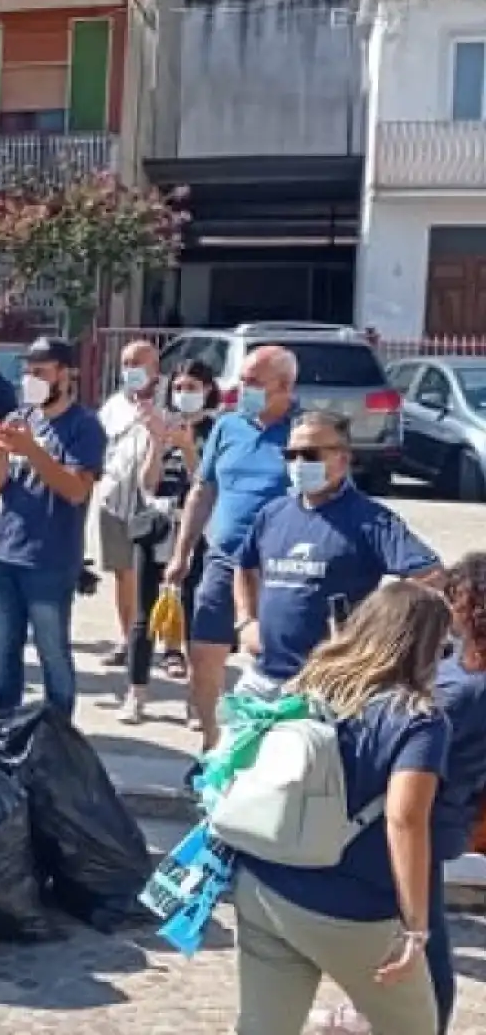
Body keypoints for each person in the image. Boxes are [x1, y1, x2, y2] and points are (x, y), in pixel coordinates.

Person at [231, 580, 449, 1035]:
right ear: (426, 647)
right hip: (350, 908)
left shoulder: (308, 682)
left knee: (262, 1028)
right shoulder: (419, 718)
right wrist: (416, 928)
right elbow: (405, 820)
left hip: (264, 879)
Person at [236, 410, 442, 697]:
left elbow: (430, 575)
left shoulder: (370, 521)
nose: (298, 464)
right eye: (291, 455)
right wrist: (246, 620)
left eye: (310, 455)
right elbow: (244, 565)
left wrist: (376, 632)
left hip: (327, 686)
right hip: (263, 676)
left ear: (342, 459)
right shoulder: (273, 514)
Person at [168, 346, 302, 753]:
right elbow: (203, 490)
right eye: (242, 379)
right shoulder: (228, 427)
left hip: (281, 568)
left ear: (284, 386)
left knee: (271, 661)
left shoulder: (305, 432)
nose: (242, 388)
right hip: (223, 558)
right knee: (204, 653)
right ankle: (212, 744)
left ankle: (265, 748)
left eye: (253, 382)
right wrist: (182, 552)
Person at [0, 337, 105, 719]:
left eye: (41, 371)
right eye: (27, 371)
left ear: (65, 375)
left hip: (49, 560)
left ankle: (58, 739)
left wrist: (32, 450)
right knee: (4, 651)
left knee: (53, 652)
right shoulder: (23, 416)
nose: (31, 378)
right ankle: (4, 730)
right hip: (2, 553)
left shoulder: (84, 427)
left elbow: (75, 489)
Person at [118, 359, 219, 723]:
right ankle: (136, 693)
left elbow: (206, 485)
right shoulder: (165, 423)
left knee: (193, 614)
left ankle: (195, 700)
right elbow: (147, 483)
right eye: (178, 387)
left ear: (208, 389)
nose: (184, 394)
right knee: (144, 614)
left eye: (192, 387)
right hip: (157, 527)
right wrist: (159, 444)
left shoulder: (215, 430)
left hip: (196, 531)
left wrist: (190, 449)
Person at [432, 554, 486, 1033]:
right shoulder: (458, 672)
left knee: (419, 934)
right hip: (449, 818)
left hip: (428, 818)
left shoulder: (463, 688)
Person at [91, 339, 161, 671]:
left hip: (156, 504)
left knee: (163, 577)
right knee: (123, 574)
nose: (131, 370)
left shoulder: (168, 404)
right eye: (126, 363)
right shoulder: (113, 406)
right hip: (114, 500)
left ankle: (170, 648)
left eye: (138, 362)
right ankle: (127, 640)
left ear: (155, 367)